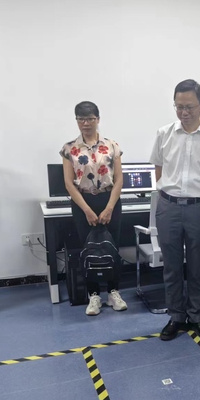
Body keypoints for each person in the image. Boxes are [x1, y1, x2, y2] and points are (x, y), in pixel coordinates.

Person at [150, 79, 200, 342]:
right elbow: (159, 170)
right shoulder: (164, 134)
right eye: (179, 106)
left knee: (197, 266)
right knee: (171, 266)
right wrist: (171, 194)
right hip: (167, 207)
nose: (184, 112)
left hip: (198, 209)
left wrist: (198, 196)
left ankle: (197, 316)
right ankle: (176, 316)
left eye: (189, 107)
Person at [60, 101, 127, 316]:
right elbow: (69, 183)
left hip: (109, 201)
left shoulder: (112, 145)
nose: (86, 123)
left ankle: (114, 292)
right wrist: (87, 210)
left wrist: (109, 208)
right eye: (81, 119)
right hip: (83, 203)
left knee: (112, 247)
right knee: (88, 249)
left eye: (90, 119)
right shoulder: (69, 148)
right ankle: (94, 295)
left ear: (98, 119)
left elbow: (118, 180)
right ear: (77, 121)